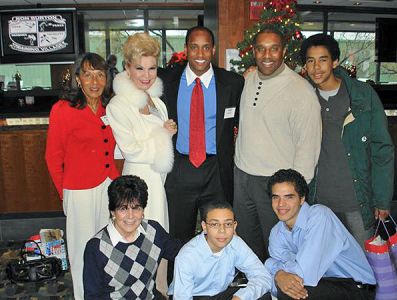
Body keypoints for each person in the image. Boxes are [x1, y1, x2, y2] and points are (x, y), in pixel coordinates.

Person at [233, 26, 322, 261]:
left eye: (274, 49)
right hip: (242, 177)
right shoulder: (248, 79)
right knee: (247, 245)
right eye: (261, 49)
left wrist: (294, 193)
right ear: (253, 51)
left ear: (283, 51)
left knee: (278, 247)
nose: (267, 55)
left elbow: (308, 145)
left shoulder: (300, 90)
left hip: (275, 185)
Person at [300, 33, 394, 246]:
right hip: (318, 202)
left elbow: (382, 150)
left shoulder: (362, 95)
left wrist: (382, 199)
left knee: (367, 267)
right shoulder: (302, 95)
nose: (316, 67)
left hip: (357, 200)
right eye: (310, 61)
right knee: (328, 269)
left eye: (323, 60)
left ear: (334, 61)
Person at [158, 25, 244, 247]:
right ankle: (177, 281)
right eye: (194, 47)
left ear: (213, 50)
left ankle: (217, 280)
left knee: (219, 234)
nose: (200, 54)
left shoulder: (233, 83)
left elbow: (239, 121)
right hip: (179, 168)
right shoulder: (165, 80)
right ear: (186, 49)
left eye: (206, 48)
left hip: (216, 171)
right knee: (178, 235)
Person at [106, 32, 177, 295]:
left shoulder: (154, 98)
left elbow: (157, 140)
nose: (146, 75)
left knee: (160, 240)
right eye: (139, 68)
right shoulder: (118, 105)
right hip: (138, 179)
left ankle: (161, 290)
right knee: (140, 241)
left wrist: (165, 130)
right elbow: (132, 150)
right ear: (127, 67)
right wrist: (164, 134)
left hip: (158, 180)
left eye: (151, 68)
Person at [45, 52, 120, 299]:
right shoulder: (63, 109)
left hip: (109, 187)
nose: (95, 81)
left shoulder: (112, 107)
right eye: (88, 75)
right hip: (79, 189)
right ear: (78, 78)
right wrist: (65, 193)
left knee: (109, 248)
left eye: (100, 75)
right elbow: (53, 158)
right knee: (82, 251)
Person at [265, 169, 376, 300]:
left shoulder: (319, 216)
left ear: (302, 199)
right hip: (324, 283)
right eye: (276, 197)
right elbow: (275, 272)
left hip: (356, 288)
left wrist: (277, 272)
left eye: (289, 197)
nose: (281, 204)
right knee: (273, 289)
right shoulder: (276, 232)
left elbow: (304, 275)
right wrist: (280, 274)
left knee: (289, 292)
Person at [83, 175, 181, 299]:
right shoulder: (97, 247)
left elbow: (182, 252)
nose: (130, 216)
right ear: (113, 212)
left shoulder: (153, 231)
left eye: (136, 208)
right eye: (123, 209)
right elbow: (92, 296)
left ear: (143, 210)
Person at [169, 200, 272, 300]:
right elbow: (182, 297)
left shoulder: (236, 243)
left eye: (228, 224)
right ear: (204, 227)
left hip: (221, 294)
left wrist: (240, 297)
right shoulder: (187, 256)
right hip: (195, 295)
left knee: (262, 296)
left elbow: (263, 277)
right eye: (215, 224)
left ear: (234, 226)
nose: (222, 231)